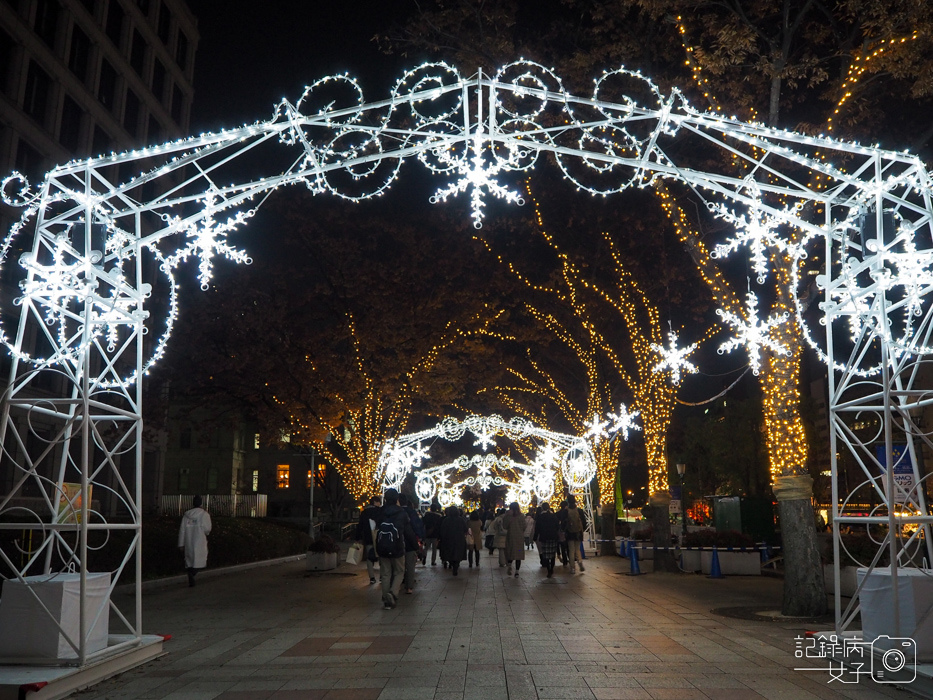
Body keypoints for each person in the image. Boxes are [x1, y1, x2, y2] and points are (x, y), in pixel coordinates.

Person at [375, 488, 416, 609]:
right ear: (397, 499)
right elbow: (408, 532)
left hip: (382, 546)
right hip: (397, 546)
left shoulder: (381, 512)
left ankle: (386, 598)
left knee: (386, 573)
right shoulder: (402, 513)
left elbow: (376, 527)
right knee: (399, 571)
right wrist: (414, 545)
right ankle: (392, 593)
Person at [178, 495, 212, 587]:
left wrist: (181, 544)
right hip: (200, 541)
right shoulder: (204, 514)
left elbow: (182, 530)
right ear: (201, 503)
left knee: (189, 560)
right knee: (200, 561)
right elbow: (207, 529)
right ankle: (192, 573)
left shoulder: (186, 515)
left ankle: (190, 572)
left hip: (188, 541)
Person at [399, 494, 423, 594]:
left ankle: (399, 582)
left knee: (399, 564)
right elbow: (418, 526)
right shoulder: (412, 512)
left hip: (397, 541)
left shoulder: (396, 512)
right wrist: (420, 538)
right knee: (410, 564)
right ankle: (409, 586)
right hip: (410, 541)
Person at [355, 494, 382, 584]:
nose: (380, 504)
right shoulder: (380, 511)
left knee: (370, 557)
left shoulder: (364, 512)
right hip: (379, 538)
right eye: (379, 502)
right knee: (382, 557)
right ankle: (382, 576)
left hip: (368, 538)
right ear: (375, 502)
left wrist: (357, 537)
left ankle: (372, 577)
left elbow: (360, 526)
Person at [560, 494, 587, 574]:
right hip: (578, 532)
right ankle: (580, 562)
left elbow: (562, 522)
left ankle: (572, 568)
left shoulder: (566, 511)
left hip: (569, 532)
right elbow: (584, 522)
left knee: (571, 550)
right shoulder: (579, 510)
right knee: (577, 549)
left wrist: (563, 530)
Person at [437, 505, 468, 575]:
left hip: (448, 539)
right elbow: (465, 529)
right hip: (459, 539)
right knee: (458, 553)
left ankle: (452, 564)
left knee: (449, 553)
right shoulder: (461, 520)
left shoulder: (446, 520)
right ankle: (456, 566)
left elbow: (442, 530)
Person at [533, 502, 560, 578]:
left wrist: (535, 537)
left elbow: (537, 528)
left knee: (546, 555)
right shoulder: (553, 516)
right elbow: (558, 527)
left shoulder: (540, 517)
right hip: (553, 537)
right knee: (552, 555)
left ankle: (548, 570)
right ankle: (552, 568)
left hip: (544, 537)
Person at [503, 501, 526, 577]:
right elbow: (524, 527)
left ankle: (509, 565)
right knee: (518, 554)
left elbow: (505, 526)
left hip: (511, 538)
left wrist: (507, 516)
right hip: (519, 539)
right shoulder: (521, 516)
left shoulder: (508, 516)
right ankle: (517, 571)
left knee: (510, 552)